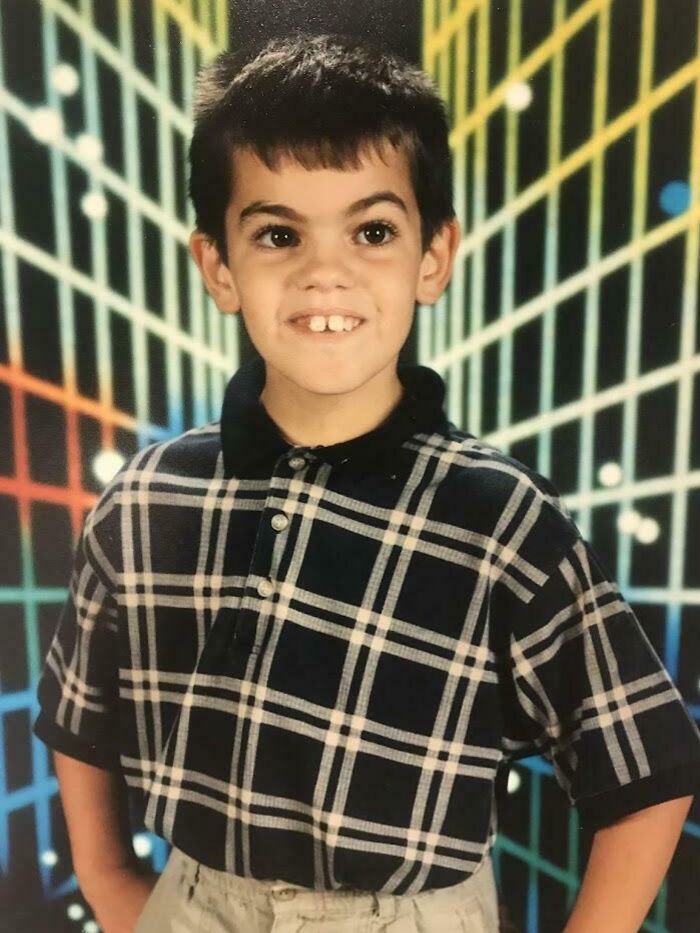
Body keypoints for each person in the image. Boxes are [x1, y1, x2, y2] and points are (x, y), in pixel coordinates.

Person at [32, 31, 700, 933]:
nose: (325, 273)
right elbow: (78, 712)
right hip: (193, 901)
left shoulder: (497, 517)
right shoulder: (147, 498)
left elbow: (648, 768)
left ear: (434, 256)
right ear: (219, 267)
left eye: (373, 231)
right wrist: (111, 878)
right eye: (278, 234)